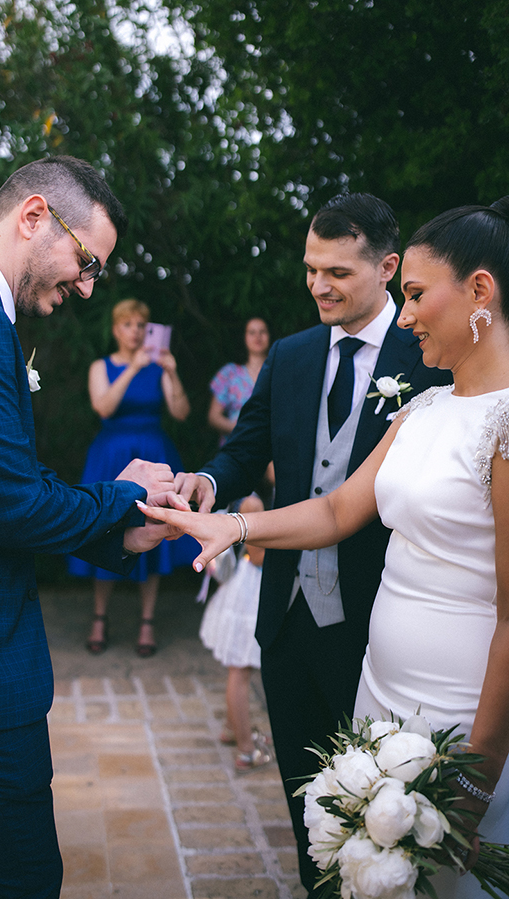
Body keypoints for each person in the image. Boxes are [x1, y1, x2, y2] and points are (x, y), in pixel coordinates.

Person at [142, 198, 509, 898]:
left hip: (432, 678)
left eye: (338, 271)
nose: (318, 285)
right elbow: (321, 497)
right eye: (311, 269)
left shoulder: (468, 391)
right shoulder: (384, 391)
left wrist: (478, 771)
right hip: (339, 657)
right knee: (336, 837)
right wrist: (228, 517)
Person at [0, 155, 175, 899]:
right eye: (87, 262)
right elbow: (9, 503)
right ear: (34, 216)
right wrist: (123, 497)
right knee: (20, 880)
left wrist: (118, 531)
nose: (87, 286)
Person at [68, 298, 192, 657]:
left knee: (154, 529)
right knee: (106, 530)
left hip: (154, 452)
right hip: (112, 457)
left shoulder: (158, 367)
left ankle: (147, 621)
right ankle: (99, 617)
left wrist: (171, 372)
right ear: (115, 330)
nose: (136, 332)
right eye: (128, 325)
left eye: (141, 325)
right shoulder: (101, 366)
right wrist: (132, 369)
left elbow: (181, 413)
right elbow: (103, 407)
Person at [199, 493, 274, 771]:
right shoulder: (253, 503)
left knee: (239, 667)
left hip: (246, 584)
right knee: (240, 671)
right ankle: (246, 750)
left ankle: (232, 729)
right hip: (250, 588)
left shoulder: (248, 496)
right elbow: (257, 556)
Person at [208, 317, 271, 445]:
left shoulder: (279, 372)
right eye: (252, 332)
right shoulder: (230, 373)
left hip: (271, 446)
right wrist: (241, 429)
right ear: (243, 337)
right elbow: (214, 417)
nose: (257, 337)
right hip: (237, 446)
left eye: (262, 331)